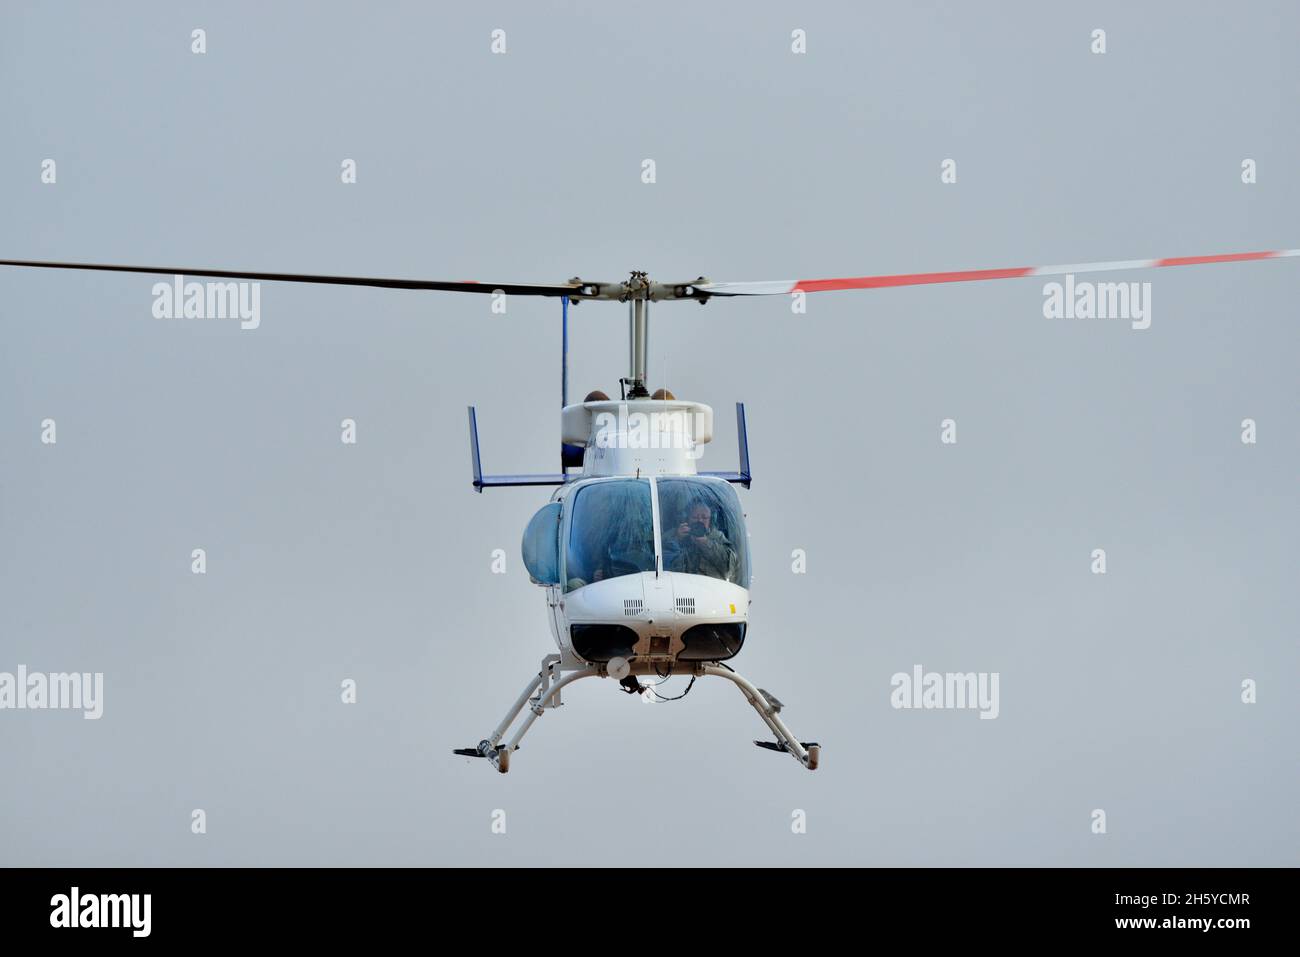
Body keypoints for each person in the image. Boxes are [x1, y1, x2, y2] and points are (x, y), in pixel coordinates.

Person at [664, 500, 738, 582]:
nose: (700, 520)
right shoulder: (676, 533)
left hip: (709, 588)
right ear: (687, 519)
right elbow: (657, 558)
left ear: (711, 520)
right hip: (680, 585)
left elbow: (730, 565)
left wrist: (706, 544)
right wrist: (676, 539)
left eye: (704, 517)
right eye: (695, 517)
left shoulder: (718, 537)